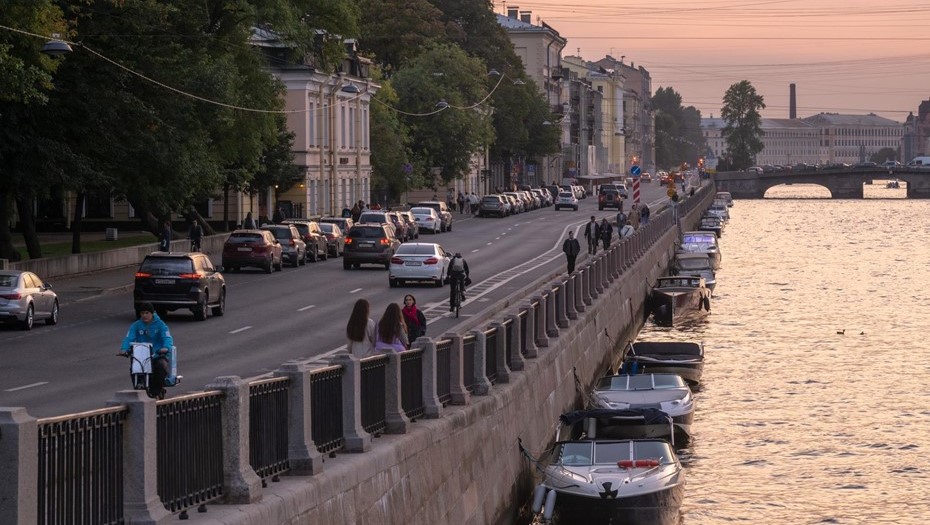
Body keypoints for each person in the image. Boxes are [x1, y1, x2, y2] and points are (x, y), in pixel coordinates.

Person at [118, 302, 173, 399]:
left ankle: (157, 390)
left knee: (161, 366)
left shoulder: (160, 325)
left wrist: (166, 347)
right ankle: (137, 387)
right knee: (133, 368)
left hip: (157, 355)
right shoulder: (136, 325)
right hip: (141, 356)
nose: (144, 315)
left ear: (152, 313)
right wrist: (124, 349)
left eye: (147, 313)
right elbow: (128, 338)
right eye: (142, 313)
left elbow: (167, 337)